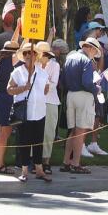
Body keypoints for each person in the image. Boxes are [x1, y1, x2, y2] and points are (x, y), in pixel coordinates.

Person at [8, 42, 50, 182]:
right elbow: (9, 89)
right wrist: (23, 88)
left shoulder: (42, 72)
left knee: (38, 141)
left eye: (30, 53)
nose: (28, 55)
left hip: (39, 111)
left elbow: (46, 89)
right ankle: (24, 170)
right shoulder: (18, 71)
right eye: (25, 53)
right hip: (24, 112)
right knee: (24, 141)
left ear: (35, 55)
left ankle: (39, 169)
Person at [61, 37, 99, 173]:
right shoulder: (86, 61)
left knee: (73, 131)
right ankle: (76, 164)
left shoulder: (70, 58)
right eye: (95, 52)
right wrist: (97, 89)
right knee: (80, 132)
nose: (95, 55)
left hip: (71, 95)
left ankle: (66, 162)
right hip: (83, 95)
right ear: (90, 48)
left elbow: (63, 80)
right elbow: (87, 83)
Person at [0, 40, 20, 173]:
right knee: (5, 133)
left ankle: (0, 162)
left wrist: (17, 28)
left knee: (0, 132)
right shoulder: (11, 59)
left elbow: (13, 43)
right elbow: (20, 52)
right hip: (6, 98)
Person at [37, 41, 62, 172]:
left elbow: (53, 83)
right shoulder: (34, 65)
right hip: (36, 101)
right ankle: (36, 161)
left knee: (49, 132)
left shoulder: (55, 65)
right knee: (36, 132)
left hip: (51, 101)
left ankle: (46, 161)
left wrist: (43, 87)